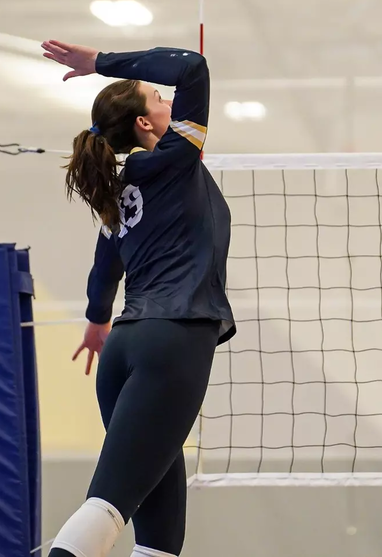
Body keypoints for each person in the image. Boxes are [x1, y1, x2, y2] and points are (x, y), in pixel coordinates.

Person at [40, 39, 235, 557]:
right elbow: (193, 66)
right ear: (146, 125)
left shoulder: (121, 189)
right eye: (158, 96)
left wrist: (96, 322)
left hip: (127, 349)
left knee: (160, 537)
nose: (170, 100)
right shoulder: (173, 159)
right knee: (108, 505)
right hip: (173, 340)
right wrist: (99, 64)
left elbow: (104, 271)